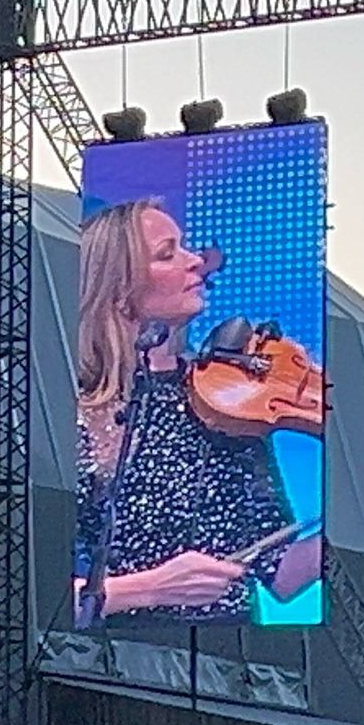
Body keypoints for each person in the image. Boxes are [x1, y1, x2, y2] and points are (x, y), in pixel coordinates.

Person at [73, 200, 321, 626]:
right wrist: (150, 588)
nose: (195, 262)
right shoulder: (68, 403)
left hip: (224, 666)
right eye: (168, 254)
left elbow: (279, 571)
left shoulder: (225, 400)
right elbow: (29, 590)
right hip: (94, 663)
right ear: (117, 286)